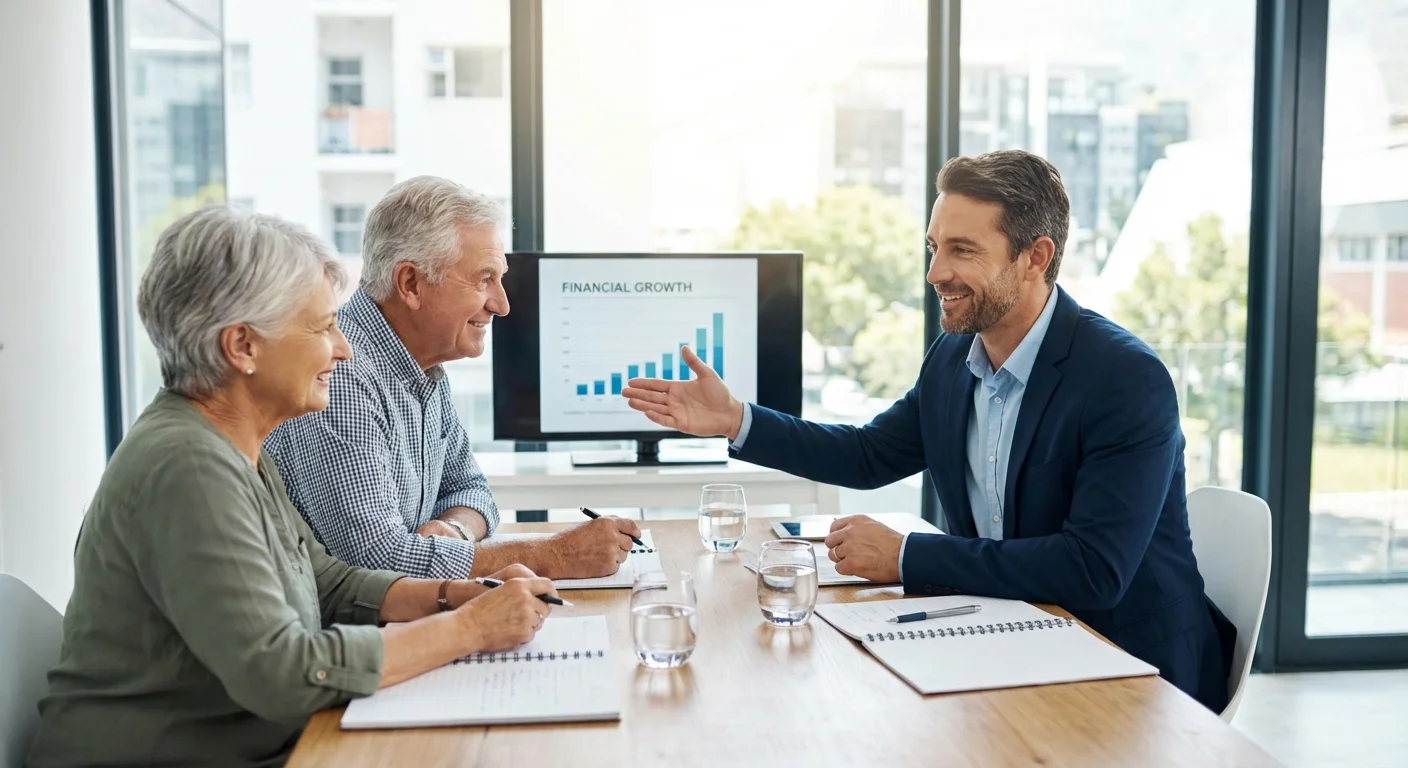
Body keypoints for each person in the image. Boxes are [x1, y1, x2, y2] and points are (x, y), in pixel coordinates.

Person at [623, 150, 1237, 713]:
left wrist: (905, 555)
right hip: (1008, 637)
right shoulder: (953, 360)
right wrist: (736, 419)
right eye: (933, 246)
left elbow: (1093, 570)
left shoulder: (1124, 378)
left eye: (963, 251)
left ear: (1035, 258)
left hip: (1131, 669)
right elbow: (868, 455)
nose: (935, 271)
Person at [28, 207, 558, 767]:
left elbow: (326, 584)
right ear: (243, 347)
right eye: (322, 327)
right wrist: (470, 629)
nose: (344, 347)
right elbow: (283, 674)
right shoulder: (188, 467)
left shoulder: (234, 446)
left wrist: (456, 595)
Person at [266, 176, 640, 581]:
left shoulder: (423, 367)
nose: (502, 304)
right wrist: (558, 555)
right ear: (410, 284)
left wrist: (454, 531)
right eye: (484, 280)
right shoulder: (342, 376)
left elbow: (473, 491)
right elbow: (379, 564)